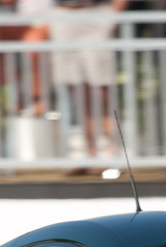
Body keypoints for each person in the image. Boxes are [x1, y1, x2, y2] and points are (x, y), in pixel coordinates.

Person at [51, 0, 130, 174]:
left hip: (97, 12)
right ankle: (90, 154)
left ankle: (113, 154)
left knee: (102, 90)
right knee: (77, 90)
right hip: (62, 13)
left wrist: (112, 15)